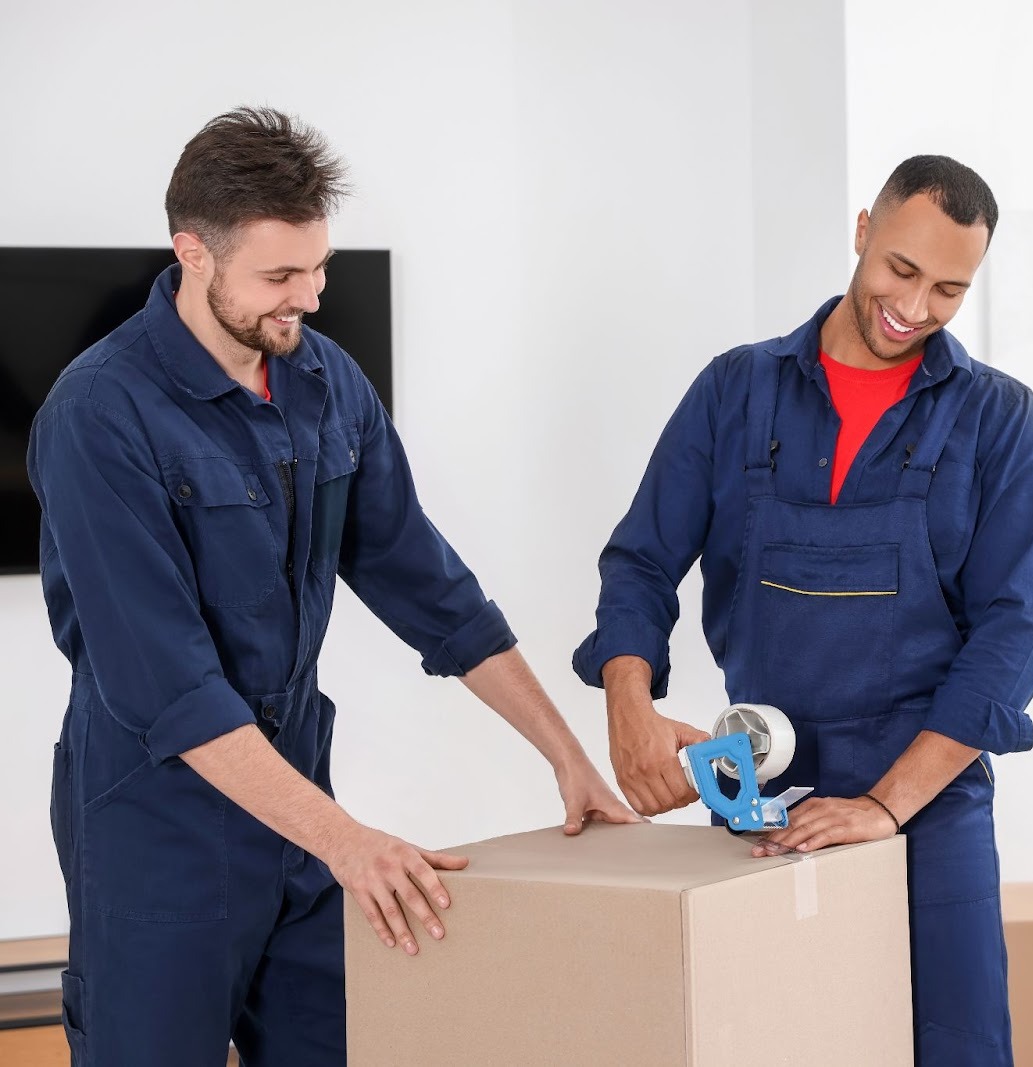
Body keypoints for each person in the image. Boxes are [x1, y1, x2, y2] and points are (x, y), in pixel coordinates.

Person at [29, 106, 634, 1067]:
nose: (307, 298)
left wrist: (565, 754)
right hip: (158, 829)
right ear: (193, 253)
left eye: (318, 268)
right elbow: (169, 690)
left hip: (300, 809)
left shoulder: (324, 381)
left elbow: (428, 585)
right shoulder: (98, 416)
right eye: (279, 276)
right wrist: (349, 842)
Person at [574, 155, 1033, 1063]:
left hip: (929, 804)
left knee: (951, 1045)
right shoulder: (734, 391)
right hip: (760, 787)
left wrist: (886, 802)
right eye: (902, 270)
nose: (915, 307)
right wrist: (628, 707)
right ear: (863, 226)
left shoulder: (1000, 421)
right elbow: (640, 561)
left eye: (949, 289)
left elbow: (1013, 637)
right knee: (769, 1039)